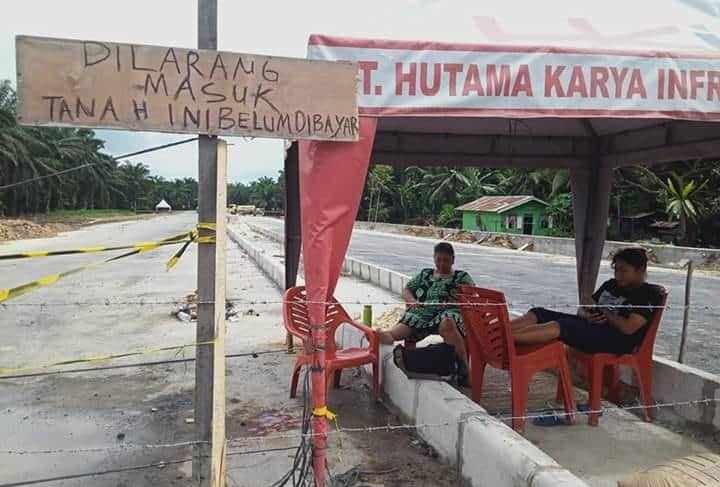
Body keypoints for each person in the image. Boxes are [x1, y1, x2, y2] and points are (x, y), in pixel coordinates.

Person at [511, 247, 662, 354]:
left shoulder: (647, 294)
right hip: (590, 327)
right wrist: (586, 314)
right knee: (539, 313)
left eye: (623, 270)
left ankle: (504, 339)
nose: (618, 275)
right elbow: (585, 307)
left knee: (563, 326)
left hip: (616, 340)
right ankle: (499, 333)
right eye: (616, 270)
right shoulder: (611, 285)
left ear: (640, 270)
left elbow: (628, 328)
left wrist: (603, 311)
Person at [378, 242, 474, 379]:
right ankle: (389, 336)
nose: (441, 264)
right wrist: (411, 301)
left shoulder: (462, 277)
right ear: (434, 258)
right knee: (413, 316)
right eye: (438, 260)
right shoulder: (425, 274)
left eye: (446, 260)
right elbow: (407, 289)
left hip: (449, 312)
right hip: (425, 311)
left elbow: (473, 297)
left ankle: (464, 370)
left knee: (447, 322)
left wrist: (458, 300)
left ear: (453, 259)